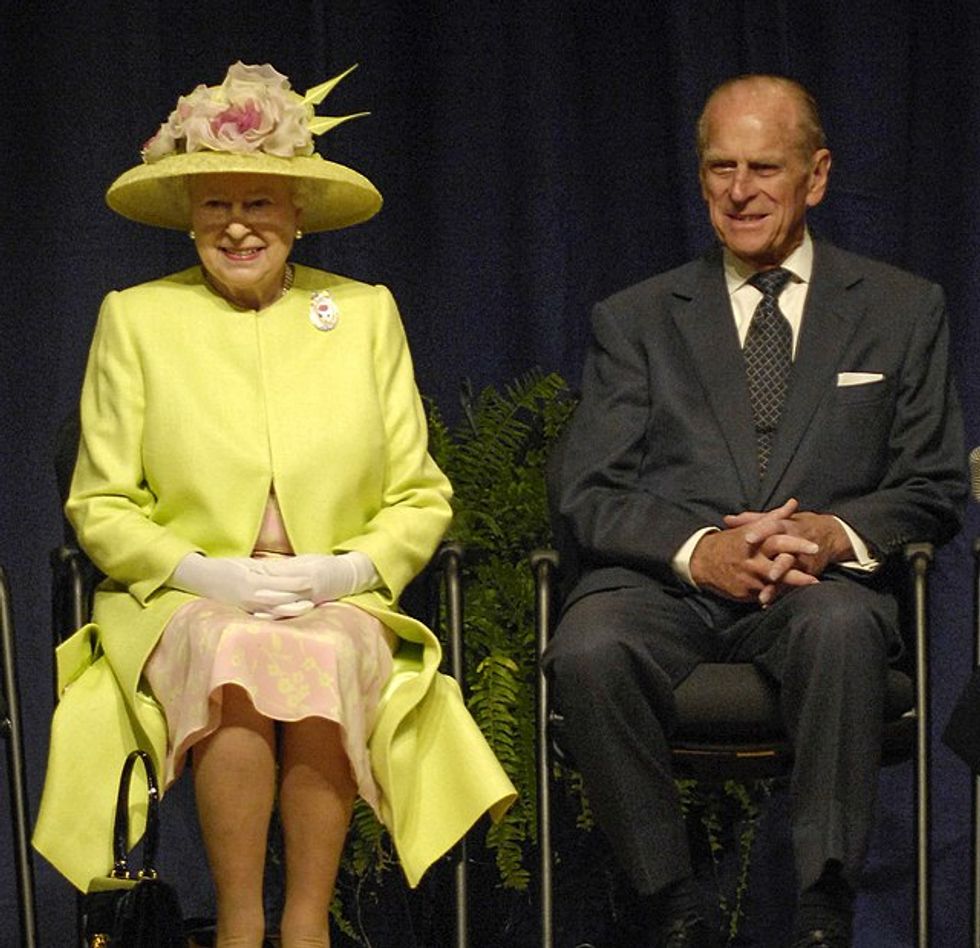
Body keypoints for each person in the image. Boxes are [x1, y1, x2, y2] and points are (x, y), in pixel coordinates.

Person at [34, 62, 515, 948]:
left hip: (338, 596)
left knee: (321, 648)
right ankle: (242, 930)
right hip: (179, 603)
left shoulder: (366, 314)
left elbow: (419, 494)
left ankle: (306, 927)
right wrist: (205, 575)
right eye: (216, 205)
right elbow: (99, 503)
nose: (239, 225)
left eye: (261, 202)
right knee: (237, 644)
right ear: (190, 218)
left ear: (297, 214)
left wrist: (344, 570)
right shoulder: (135, 319)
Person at [542, 75, 966, 948]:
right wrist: (700, 552)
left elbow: (930, 482)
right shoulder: (637, 318)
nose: (741, 191)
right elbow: (587, 486)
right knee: (586, 648)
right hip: (668, 587)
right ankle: (673, 905)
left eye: (765, 167)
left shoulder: (900, 308)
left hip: (817, 584)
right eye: (721, 167)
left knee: (842, 630)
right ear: (700, 178)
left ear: (815, 176)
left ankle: (823, 906)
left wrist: (826, 534)